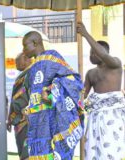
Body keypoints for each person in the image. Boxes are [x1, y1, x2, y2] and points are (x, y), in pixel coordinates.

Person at [22, 31, 84, 159]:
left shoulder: (52, 57)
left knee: (55, 152)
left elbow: (72, 79)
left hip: (53, 118)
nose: (23, 50)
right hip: (37, 120)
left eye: (25, 45)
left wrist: (51, 90)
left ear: (35, 43)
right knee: (39, 153)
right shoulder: (33, 66)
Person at [77, 22, 125, 159]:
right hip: (95, 116)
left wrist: (85, 34)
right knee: (93, 153)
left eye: (93, 52)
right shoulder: (90, 73)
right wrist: (78, 104)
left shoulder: (115, 64)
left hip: (112, 116)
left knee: (110, 152)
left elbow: (103, 55)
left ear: (101, 52)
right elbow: (83, 95)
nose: (91, 55)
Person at [7, 53, 32, 160]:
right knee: (22, 151)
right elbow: (14, 99)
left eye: (17, 61)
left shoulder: (33, 73)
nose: (15, 64)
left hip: (28, 120)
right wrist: (9, 118)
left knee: (28, 153)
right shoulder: (21, 76)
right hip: (18, 121)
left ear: (26, 59)